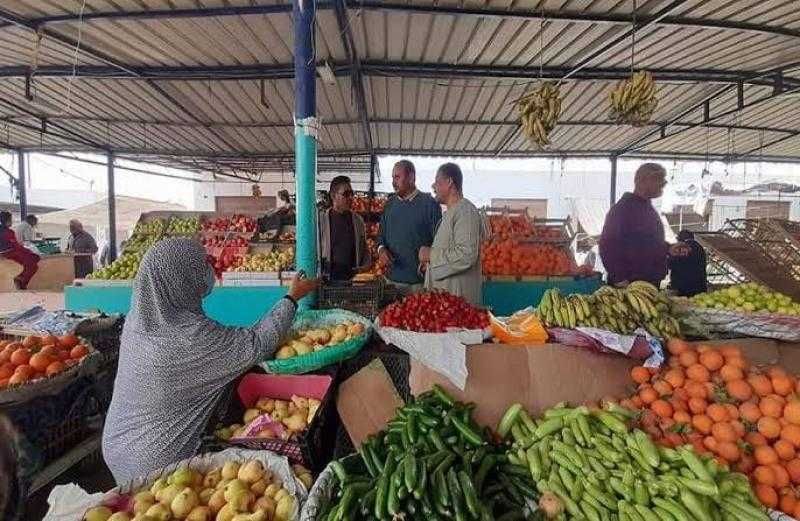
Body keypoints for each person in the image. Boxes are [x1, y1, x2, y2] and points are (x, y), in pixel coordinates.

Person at [102, 238, 318, 483]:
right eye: (202, 264)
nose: (209, 269)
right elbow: (258, 343)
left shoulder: (137, 323)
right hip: (159, 464)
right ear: (183, 280)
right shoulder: (191, 338)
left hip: (115, 447)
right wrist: (292, 297)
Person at [599, 163, 688, 288]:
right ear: (643, 181)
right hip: (630, 284)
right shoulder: (623, 209)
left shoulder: (646, 207)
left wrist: (668, 248)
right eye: (659, 179)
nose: (664, 183)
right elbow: (607, 245)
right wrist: (619, 278)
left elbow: (646, 242)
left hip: (648, 282)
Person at [418, 163, 485, 305]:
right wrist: (430, 265)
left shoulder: (465, 212)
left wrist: (431, 255)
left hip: (459, 305)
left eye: (437, 181)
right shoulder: (451, 213)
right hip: (446, 303)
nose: (433, 186)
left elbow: (467, 254)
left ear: (449, 182)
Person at [378, 160, 442, 292]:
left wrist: (429, 261)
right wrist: (381, 250)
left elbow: (440, 241)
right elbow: (380, 237)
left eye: (397, 177)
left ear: (411, 178)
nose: (393, 182)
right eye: (392, 178)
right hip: (391, 282)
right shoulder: (389, 205)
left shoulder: (429, 204)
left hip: (420, 285)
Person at [318, 176, 371, 281]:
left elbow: (364, 248)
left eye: (352, 193)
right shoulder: (322, 220)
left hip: (352, 280)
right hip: (327, 280)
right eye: (346, 194)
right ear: (333, 196)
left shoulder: (358, 221)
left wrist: (365, 265)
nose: (350, 197)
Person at [0, 211, 40, 290]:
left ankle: (21, 280)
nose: (12, 221)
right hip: (10, 253)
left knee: (31, 260)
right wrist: (29, 251)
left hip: (8, 252)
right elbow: (17, 246)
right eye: (11, 219)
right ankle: (21, 280)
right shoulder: (8, 232)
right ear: (7, 221)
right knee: (34, 262)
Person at [669, 230, 708, 297]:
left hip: (685, 287)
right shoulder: (699, 247)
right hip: (700, 285)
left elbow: (673, 264)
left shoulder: (682, 248)